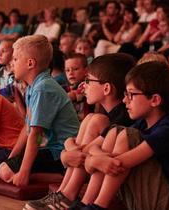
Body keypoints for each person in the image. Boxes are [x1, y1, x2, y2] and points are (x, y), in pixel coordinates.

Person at [80, 61, 169, 210]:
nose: (125, 100)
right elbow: (92, 152)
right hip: (157, 199)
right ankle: (86, 204)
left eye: (131, 94)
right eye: (125, 94)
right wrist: (95, 160)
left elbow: (117, 165)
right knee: (115, 131)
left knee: (126, 135)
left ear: (155, 100)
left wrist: (93, 161)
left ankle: (99, 206)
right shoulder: (142, 124)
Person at [24, 53, 136, 210]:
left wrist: (67, 152)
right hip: (91, 161)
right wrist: (68, 148)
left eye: (88, 80)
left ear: (106, 88)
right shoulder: (106, 114)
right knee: (92, 118)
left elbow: (87, 151)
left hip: (122, 176)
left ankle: (68, 195)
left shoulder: (122, 117)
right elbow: (79, 144)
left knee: (95, 119)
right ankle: (64, 192)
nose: (84, 86)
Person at [0, 35, 80, 186]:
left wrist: (23, 171)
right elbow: (27, 128)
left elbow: (36, 134)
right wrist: (11, 158)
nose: (11, 63)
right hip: (53, 149)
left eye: (15, 59)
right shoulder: (32, 87)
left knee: (6, 172)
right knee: (4, 167)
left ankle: (65, 176)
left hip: (62, 152)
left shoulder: (43, 88)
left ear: (30, 63)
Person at [64, 53, 91, 121]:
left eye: (75, 69)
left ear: (86, 71)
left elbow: (84, 90)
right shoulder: (65, 89)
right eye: (67, 70)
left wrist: (74, 95)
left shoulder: (88, 83)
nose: (70, 73)